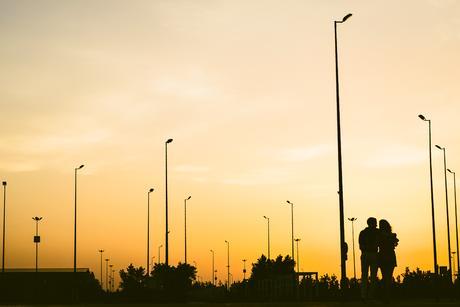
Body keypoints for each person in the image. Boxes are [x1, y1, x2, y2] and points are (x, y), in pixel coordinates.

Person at [378, 219, 399, 303]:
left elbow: (395, 243)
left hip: (384, 255)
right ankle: (386, 296)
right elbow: (395, 243)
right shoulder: (390, 235)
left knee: (386, 277)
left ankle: (385, 296)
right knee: (387, 277)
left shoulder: (381, 235)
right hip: (388, 255)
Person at [359, 217, 379, 300]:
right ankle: (370, 295)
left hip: (366, 254)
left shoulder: (363, 232)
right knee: (372, 276)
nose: (376, 224)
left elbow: (361, 245)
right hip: (372, 254)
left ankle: (364, 295)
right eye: (375, 223)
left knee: (365, 276)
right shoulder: (377, 232)